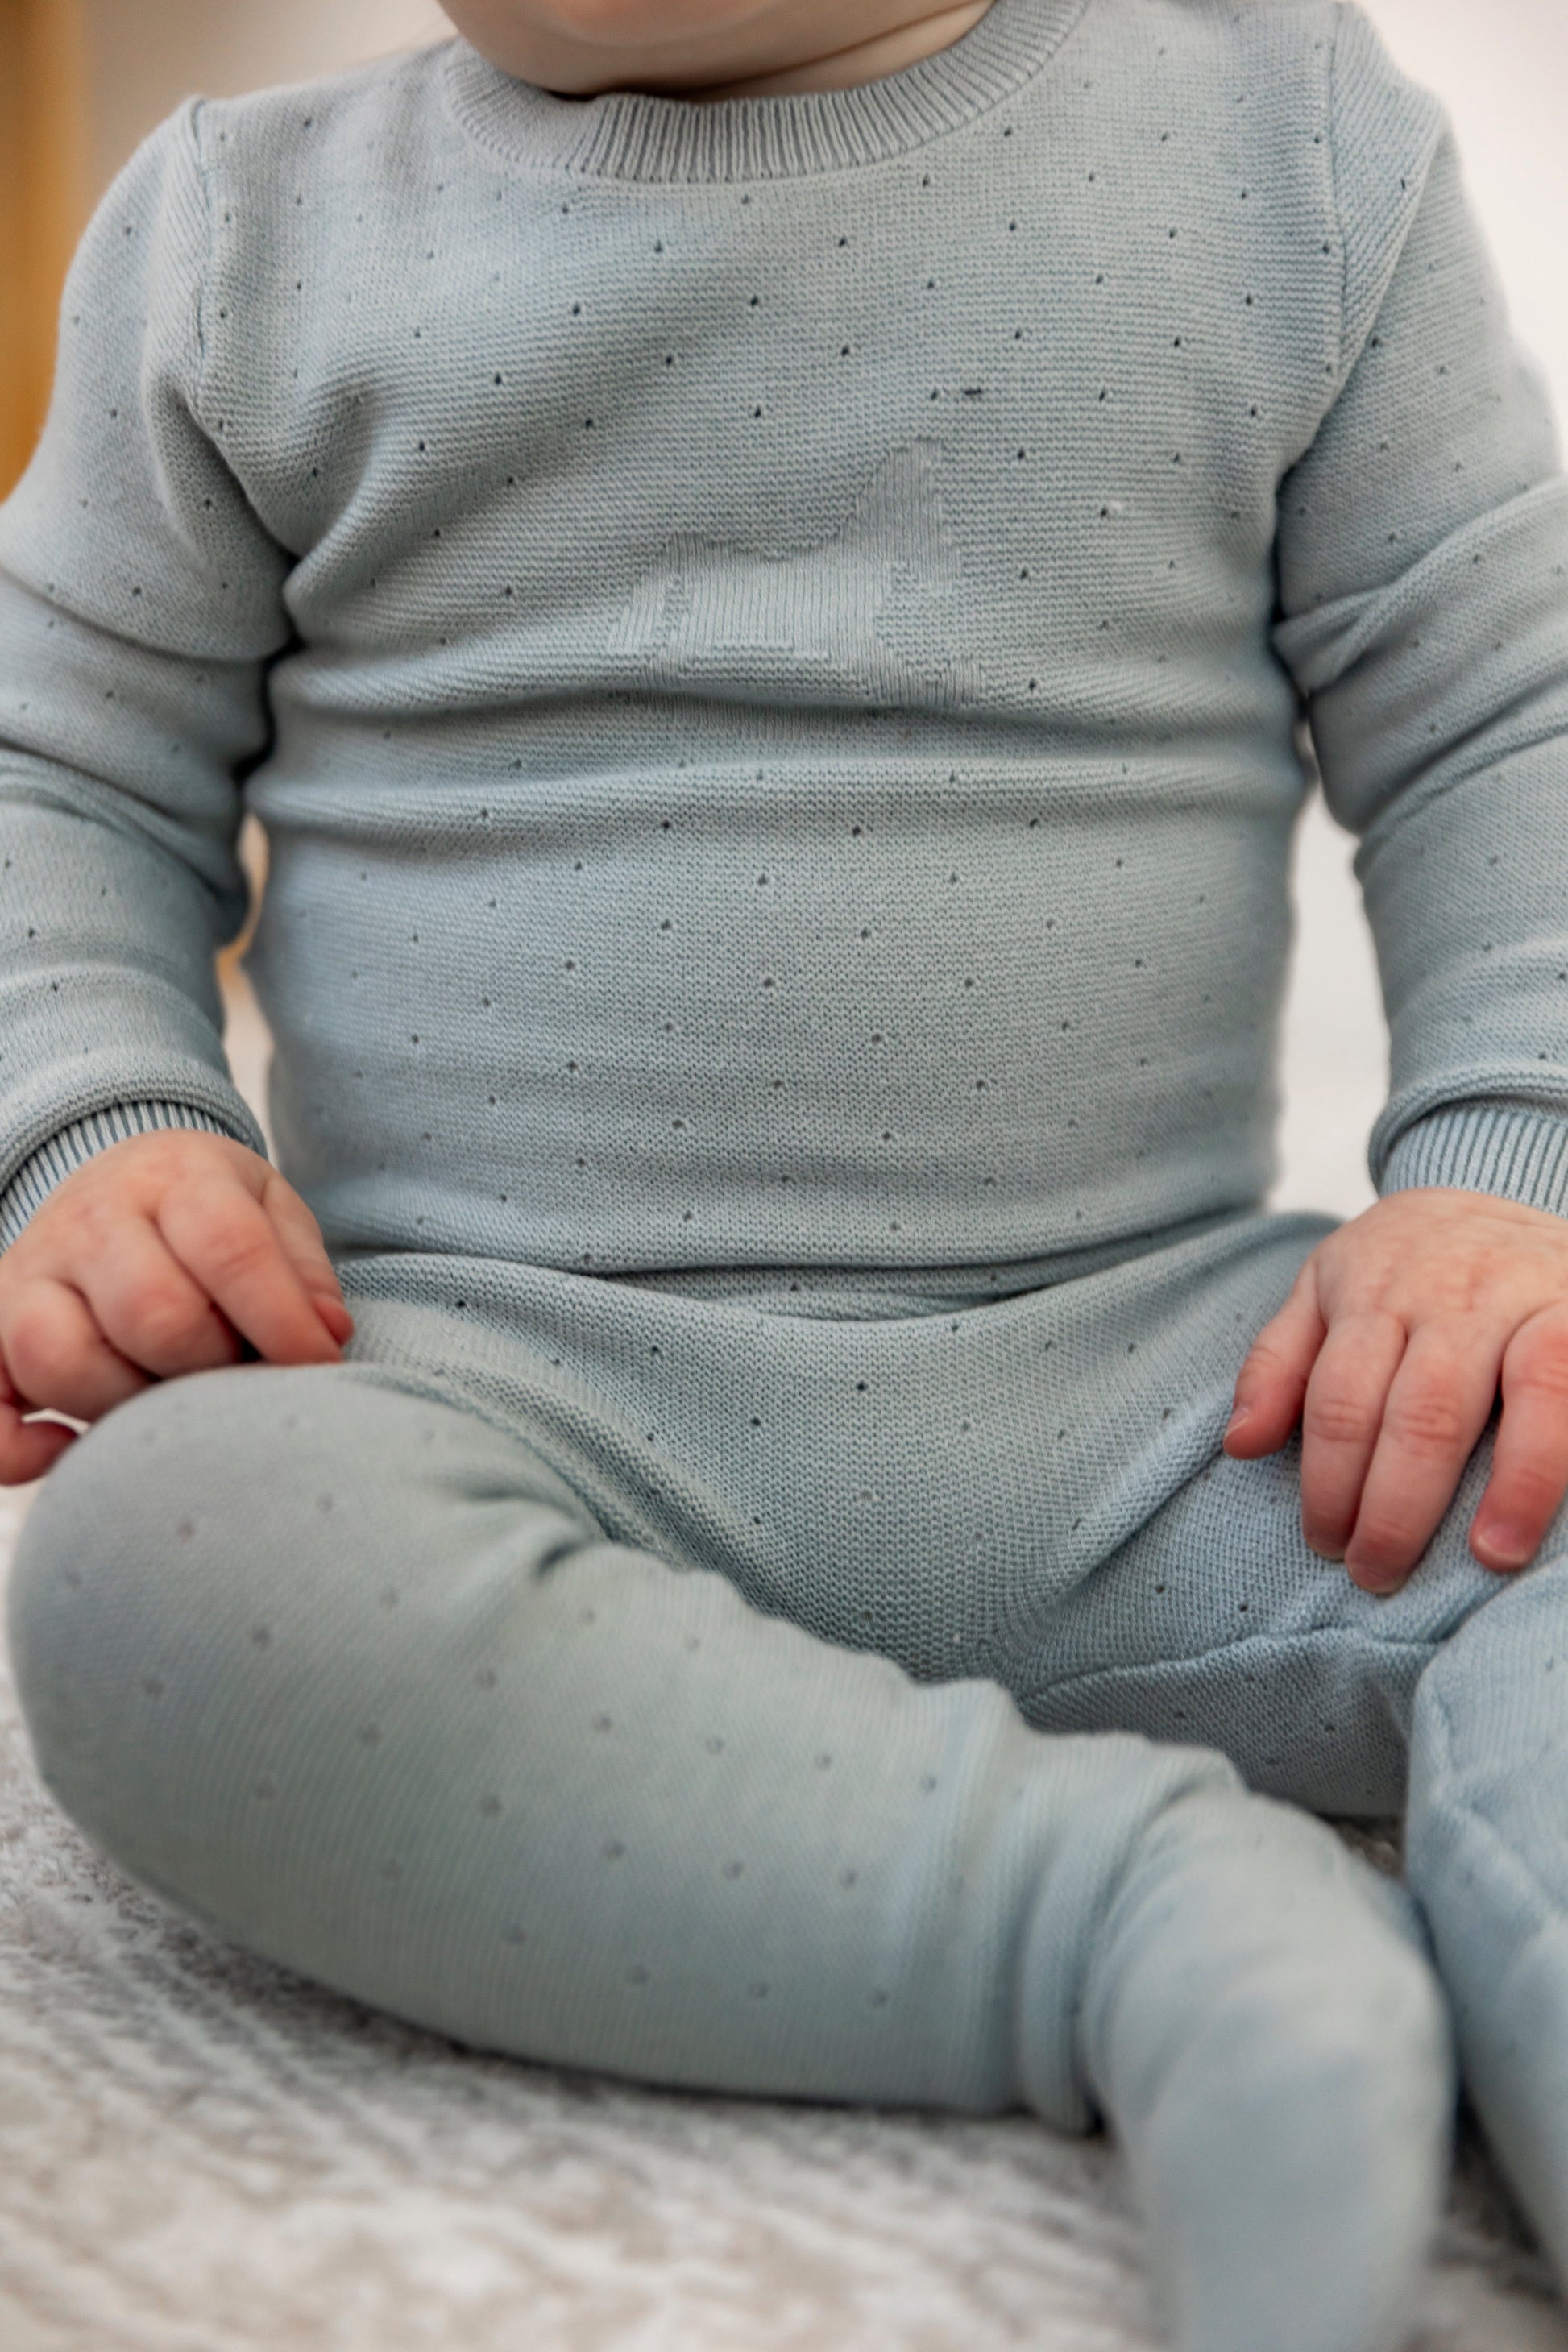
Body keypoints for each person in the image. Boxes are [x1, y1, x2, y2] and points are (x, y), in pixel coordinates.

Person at [2, 0, 1567, 2340]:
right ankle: (1136, 1922)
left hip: (1188, 1407)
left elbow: (1500, 713)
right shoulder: (244, 237)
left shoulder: (1283, 145)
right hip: (505, 1383)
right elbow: (58, 777)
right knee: (155, 1556)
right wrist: (95, 1134)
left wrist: (1504, 1161)